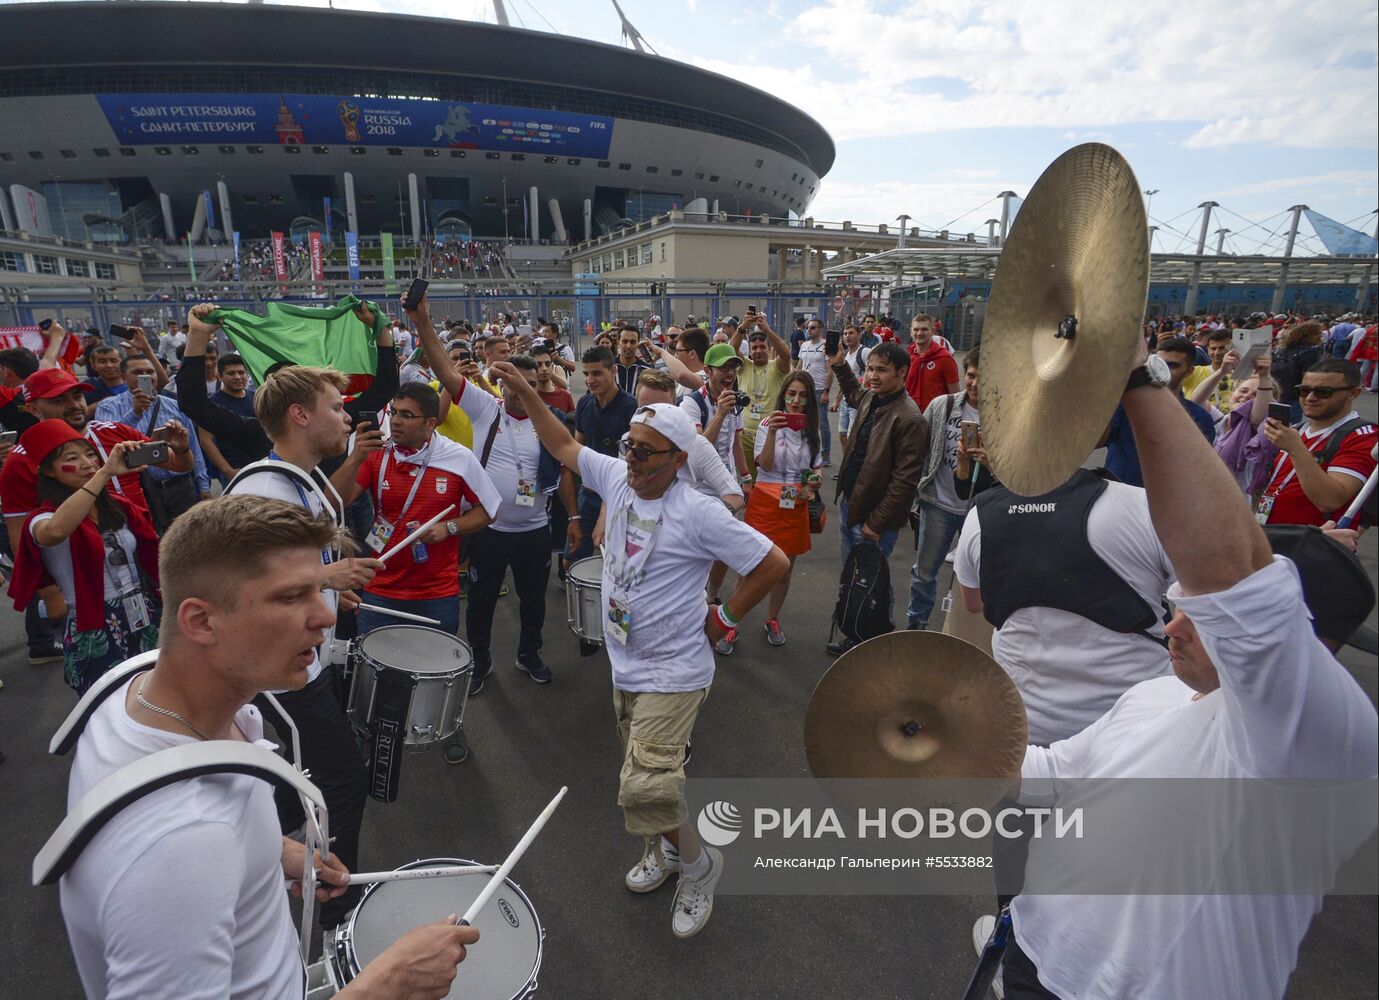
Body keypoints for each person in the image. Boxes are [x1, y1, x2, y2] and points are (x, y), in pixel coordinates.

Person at [990, 337, 1378, 1000]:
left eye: (1195, 617)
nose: (1168, 627)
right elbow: (1057, 773)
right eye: (1174, 608)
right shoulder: (1158, 691)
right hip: (1029, 956)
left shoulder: (1314, 734)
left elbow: (1230, 576)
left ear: (1293, 644)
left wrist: (1136, 375)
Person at [57, 495, 478, 998]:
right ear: (201, 621)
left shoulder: (132, 692)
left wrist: (271, 851)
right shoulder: (180, 851)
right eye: (289, 597)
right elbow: (180, 856)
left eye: (318, 592)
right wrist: (386, 985)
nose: (324, 619)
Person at [487, 365, 789, 939]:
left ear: (678, 459)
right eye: (629, 446)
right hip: (626, 663)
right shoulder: (621, 480)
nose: (631, 459)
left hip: (675, 672)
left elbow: (771, 562)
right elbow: (562, 443)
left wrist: (723, 618)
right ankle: (668, 851)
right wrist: (527, 392)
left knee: (644, 785)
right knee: (647, 776)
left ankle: (700, 867)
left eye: (646, 453)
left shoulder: (698, 509)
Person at [200, 327, 386, 931]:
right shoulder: (265, 486)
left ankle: (275, 878)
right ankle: (333, 907)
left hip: (303, 659)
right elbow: (246, 587)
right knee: (341, 782)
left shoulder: (300, 478)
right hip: (282, 675)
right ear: (301, 415)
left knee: (292, 786)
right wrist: (327, 577)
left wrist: (330, 589)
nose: (347, 415)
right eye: (336, 407)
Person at [405, 295, 574, 701]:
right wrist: (422, 321)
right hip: (490, 530)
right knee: (480, 604)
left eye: (532, 386)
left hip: (535, 531)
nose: (524, 392)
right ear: (503, 383)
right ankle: (480, 661)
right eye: (518, 384)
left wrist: (574, 519)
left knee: (534, 603)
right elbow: (444, 370)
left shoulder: (547, 423)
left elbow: (569, 468)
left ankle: (528, 655)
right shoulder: (485, 408)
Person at [337, 379, 500, 764]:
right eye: (394, 413)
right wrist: (354, 459)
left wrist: (451, 528)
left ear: (431, 423)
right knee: (373, 668)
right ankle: (369, 729)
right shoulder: (376, 455)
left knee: (442, 668)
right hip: (379, 588)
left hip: (436, 591)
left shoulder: (457, 458)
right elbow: (335, 500)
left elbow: (490, 509)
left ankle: (447, 726)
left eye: (407, 416)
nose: (396, 422)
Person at [7, 420, 161, 694]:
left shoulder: (117, 507)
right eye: (72, 458)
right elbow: (54, 532)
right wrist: (103, 474)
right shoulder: (42, 518)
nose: (87, 462)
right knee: (109, 707)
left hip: (142, 611)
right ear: (48, 472)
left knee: (158, 698)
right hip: (94, 624)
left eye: (90, 454)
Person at [827, 341, 928, 655]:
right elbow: (854, 392)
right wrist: (840, 364)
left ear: (902, 372)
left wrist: (877, 522)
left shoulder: (911, 419)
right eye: (870, 368)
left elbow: (904, 482)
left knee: (871, 584)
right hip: (851, 504)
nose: (872, 375)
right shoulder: (872, 398)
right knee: (854, 578)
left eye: (881, 370)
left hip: (873, 518)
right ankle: (858, 631)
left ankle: (869, 641)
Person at [743, 372, 823, 647]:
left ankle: (772, 618)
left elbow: (816, 466)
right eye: (791, 394)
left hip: (796, 502)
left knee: (786, 569)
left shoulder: (812, 428)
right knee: (751, 565)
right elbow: (763, 465)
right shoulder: (768, 424)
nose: (796, 401)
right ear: (783, 395)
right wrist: (774, 431)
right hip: (765, 500)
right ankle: (732, 621)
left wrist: (815, 480)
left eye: (802, 395)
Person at [907, 345, 983, 631]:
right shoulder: (944, 405)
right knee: (924, 573)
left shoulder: (1004, 417)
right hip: (938, 502)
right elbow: (919, 445)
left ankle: (970, 633)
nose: (975, 383)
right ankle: (917, 625)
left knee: (976, 577)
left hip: (979, 510)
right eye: (971, 375)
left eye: (983, 377)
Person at [95, 354, 212, 526]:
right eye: (137, 372)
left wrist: (204, 486)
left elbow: (193, 447)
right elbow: (106, 441)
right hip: (142, 488)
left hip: (181, 486)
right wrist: (134, 413)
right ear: (123, 377)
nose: (146, 376)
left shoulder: (174, 405)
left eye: (150, 371)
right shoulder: (109, 406)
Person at [1259, 359, 1377, 527]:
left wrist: (1295, 448)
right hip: (1274, 533)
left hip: (1313, 543)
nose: (1310, 397)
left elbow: (1330, 500)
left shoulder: (1363, 437)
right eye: (1304, 390)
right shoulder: (1296, 429)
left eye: (1323, 392)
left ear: (1353, 393)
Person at [680, 343, 751, 607]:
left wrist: (745, 477)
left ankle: (711, 595)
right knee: (697, 549)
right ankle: (692, 597)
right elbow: (697, 452)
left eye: (733, 368)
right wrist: (720, 413)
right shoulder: (691, 402)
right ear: (708, 370)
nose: (729, 373)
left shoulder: (734, 398)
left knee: (722, 549)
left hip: (726, 485)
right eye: (723, 368)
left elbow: (736, 442)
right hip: (698, 487)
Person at [1104, 337, 1217, 486]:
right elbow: (1094, 441)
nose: (1163, 370)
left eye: (1173, 365)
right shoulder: (1127, 404)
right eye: (1159, 363)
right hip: (1118, 497)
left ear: (1189, 371)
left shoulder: (1200, 418)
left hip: (1166, 503)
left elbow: (1197, 471)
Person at [569, 346, 638, 562]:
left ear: (613, 371)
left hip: (619, 495)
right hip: (588, 493)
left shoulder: (631, 407)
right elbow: (577, 447)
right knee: (570, 559)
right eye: (586, 374)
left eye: (597, 373)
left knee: (613, 560)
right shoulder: (584, 403)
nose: (590, 380)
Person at [729, 312, 791, 478]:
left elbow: (786, 354)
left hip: (771, 433)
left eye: (762, 347)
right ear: (749, 351)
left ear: (769, 349)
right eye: (754, 348)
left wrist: (767, 330)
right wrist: (742, 327)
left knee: (771, 476)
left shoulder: (777, 367)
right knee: (749, 477)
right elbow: (731, 349)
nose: (758, 351)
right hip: (746, 435)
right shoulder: (744, 366)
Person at [199, 353, 258, 485]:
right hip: (234, 471)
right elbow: (206, 441)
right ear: (220, 377)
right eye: (231, 373)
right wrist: (228, 471)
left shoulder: (257, 398)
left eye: (241, 372)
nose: (237, 377)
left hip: (261, 466)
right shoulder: (211, 404)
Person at [1271, 320, 1326, 423]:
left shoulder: (1284, 349)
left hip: (1278, 391)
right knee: (1292, 425)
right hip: (1295, 395)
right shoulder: (1310, 353)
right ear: (1307, 335)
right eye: (1316, 334)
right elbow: (1309, 378)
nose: (1320, 337)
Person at [795, 318, 833, 467]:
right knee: (803, 421)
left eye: (813, 328)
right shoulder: (804, 345)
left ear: (820, 329)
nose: (809, 330)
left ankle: (826, 454)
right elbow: (800, 366)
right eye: (808, 328)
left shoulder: (825, 346)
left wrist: (826, 391)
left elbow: (830, 372)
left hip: (819, 389)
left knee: (822, 423)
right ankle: (806, 450)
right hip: (804, 389)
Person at [903, 314, 960, 412]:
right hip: (909, 414)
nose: (919, 333)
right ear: (911, 331)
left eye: (924, 329)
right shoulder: (906, 356)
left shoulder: (945, 358)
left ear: (933, 331)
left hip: (935, 416)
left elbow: (955, 395)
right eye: (916, 329)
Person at [829, 324, 871, 453]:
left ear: (859, 335)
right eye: (845, 333)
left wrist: (860, 395)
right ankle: (845, 467)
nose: (847, 336)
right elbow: (844, 381)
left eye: (851, 333)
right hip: (845, 402)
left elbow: (869, 373)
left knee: (852, 436)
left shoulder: (865, 352)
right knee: (842, 434)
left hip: (858, 401)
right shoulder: (845, 355)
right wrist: (837, 400)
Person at [614, 324, 652, 395]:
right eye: (625, 341)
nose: (628, 346)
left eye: (633, 342)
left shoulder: (647, 370)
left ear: (638, 343)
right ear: (618, 342)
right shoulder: (608, 368)